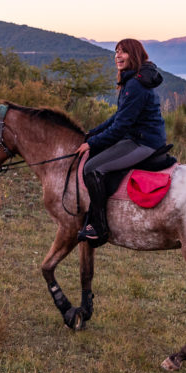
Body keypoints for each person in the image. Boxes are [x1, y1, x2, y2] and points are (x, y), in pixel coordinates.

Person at [76, 38, 167, 246]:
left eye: (123, 52)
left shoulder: (135, 84)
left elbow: (120, 127)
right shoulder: (132, 79)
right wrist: (92, 134)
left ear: (133, 55)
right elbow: (119, 116)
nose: (118, 56)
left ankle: (99, 227)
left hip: (143, 142)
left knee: (92, 168)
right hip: (139, 137)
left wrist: (92, 144)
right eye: (116, 51)